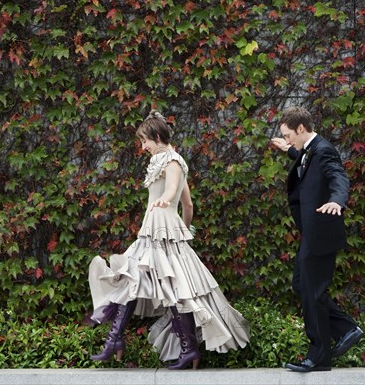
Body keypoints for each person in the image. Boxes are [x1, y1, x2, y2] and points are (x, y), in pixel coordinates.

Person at [88, 110, 249, 369]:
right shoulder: (164, 160)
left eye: (145, 141)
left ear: (159, 136)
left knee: (172, 291)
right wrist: (182, 228)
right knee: (135, 281)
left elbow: (174, 190)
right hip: (157, 232)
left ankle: (186, 349)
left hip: (161, 233)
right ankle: (117, 340)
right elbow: (188, 204)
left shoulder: (172, 161)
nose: (143, 146)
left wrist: (166, 204)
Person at [271, 106, 363, 372]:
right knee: (302, 285)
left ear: (301, 128)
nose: (288, 140)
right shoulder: (309, 149)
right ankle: (346, 328)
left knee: (312, 291)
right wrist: (287, 150)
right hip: (311, 232)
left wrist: (336, 200)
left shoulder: (324, 150)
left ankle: (318, 357)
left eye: (288, 136)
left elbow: (338, 176)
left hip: (321, 232)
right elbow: (303, 158)